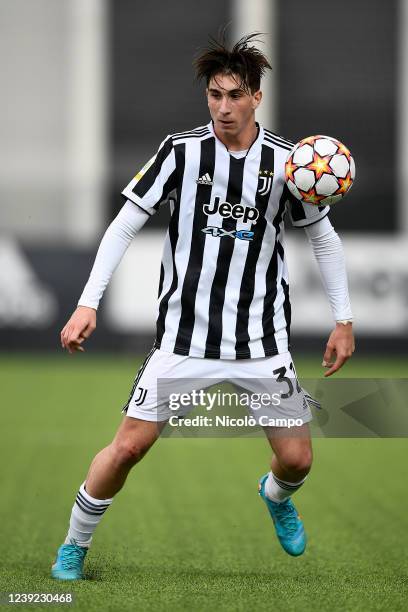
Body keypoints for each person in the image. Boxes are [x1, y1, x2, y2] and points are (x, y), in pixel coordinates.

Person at [52, 33, 354, 580]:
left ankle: (275, 496)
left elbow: (324, 240)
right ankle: (73, 545)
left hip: (262, 341)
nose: (222, 107)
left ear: (256, 97)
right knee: (125, 450)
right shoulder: (181, 151)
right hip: (183, 339)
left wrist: (344, 318)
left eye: (234, 95)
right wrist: (86, 303)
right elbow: (125, 224)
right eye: (214, 95)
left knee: (297, 461)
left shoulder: (289, 164)